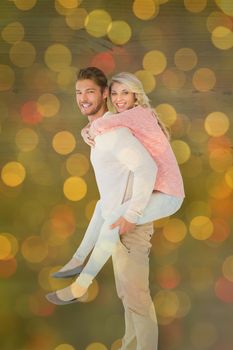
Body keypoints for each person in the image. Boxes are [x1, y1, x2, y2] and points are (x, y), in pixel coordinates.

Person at [46, 68, 184, 350]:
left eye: (125, 93)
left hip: (159, 200)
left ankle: (80, 286)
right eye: (79, 93)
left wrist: (132, 215)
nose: (120, 99)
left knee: (137, 299)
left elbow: (145, 167)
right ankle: (79, 269)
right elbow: (105, 199)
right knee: (130, 300)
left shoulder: (124, 124)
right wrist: (91, 130)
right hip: (143, 203)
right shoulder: (116, 126)